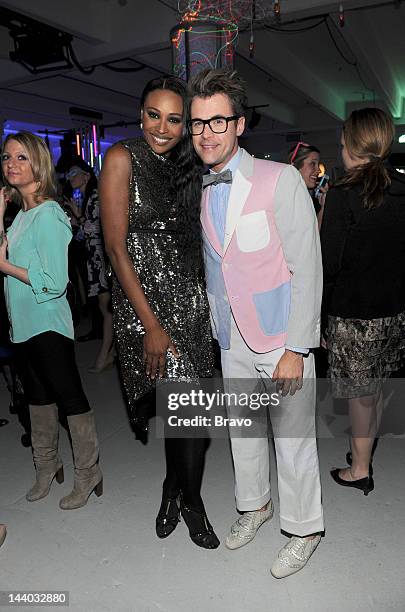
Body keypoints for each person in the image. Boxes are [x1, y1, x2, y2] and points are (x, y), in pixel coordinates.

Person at [188, 68, 324, 578]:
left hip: (279, 336)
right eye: (198, 123)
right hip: (232, 336)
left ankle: (305, 528)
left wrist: (296, 347)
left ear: (239, 125)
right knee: (243, 436)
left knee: (293, 440)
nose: (206, 132)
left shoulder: (279, 178)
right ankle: (255, 507)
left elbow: (307, 267)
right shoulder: (204, 189)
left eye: (217, 121)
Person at [99, 76, 219, 549]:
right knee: (183, 404)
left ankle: (176, 489)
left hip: (189, 299)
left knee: (188, 408)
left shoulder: (189, 166)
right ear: (140, 113)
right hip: (144, 301)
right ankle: (191, 501)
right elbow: (114, 246)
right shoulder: (121, 157)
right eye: (155, 115)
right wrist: (150, 324)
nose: (163, 128)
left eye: (174, 119)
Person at [0, 132, 102, 510]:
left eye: (21, 157)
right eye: (7, 157)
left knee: (69, 398)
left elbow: (55, 282)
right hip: (22, 323)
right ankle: (46, 467)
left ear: (39, 165)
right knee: (37, 400)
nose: (12, 163)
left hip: (47, 322)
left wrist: (5, 266)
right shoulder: (22, 215)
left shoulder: (50, 214)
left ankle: (89, 473)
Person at [320, 108, 405, 494]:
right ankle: (364, 452)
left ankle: (360, 469)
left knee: (360, 397)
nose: (340, 152)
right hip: (396, 312)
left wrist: (318, 320)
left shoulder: (343, 195)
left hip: (354, 316)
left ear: (356, 146)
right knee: (377, 388)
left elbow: (328, 265)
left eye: (342, 145)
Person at [66, 161, 114, 373]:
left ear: (86, 176)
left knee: (107, 309)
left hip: (100, 259)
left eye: (74, 174)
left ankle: (105, 356)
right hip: (95, 258)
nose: (70, 178)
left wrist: (77, 218)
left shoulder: (94, 196)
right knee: (106, 308)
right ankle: (110, 354)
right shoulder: (89, 198)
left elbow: (94, 228)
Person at [289, 141, 328, 228]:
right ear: (295, 167)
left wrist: (323, 205)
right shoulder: (289, 199)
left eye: (318, 164)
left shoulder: (308, 198)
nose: (318, 170)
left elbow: (313, 235)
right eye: (313, 164)